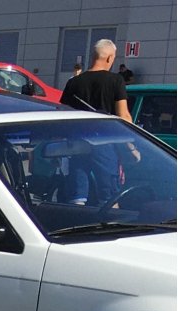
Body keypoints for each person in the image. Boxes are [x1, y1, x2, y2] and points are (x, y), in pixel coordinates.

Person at [60, 39, 139, 205]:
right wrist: (132, 146)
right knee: (109, 197)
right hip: (105, 143)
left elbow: (62, 114)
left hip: (77, 144)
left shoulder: (73, 82)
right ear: (110, 58)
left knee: (78, 195)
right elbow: (123, 115)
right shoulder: (116, 80)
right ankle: (112, 228)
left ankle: (76, 226)